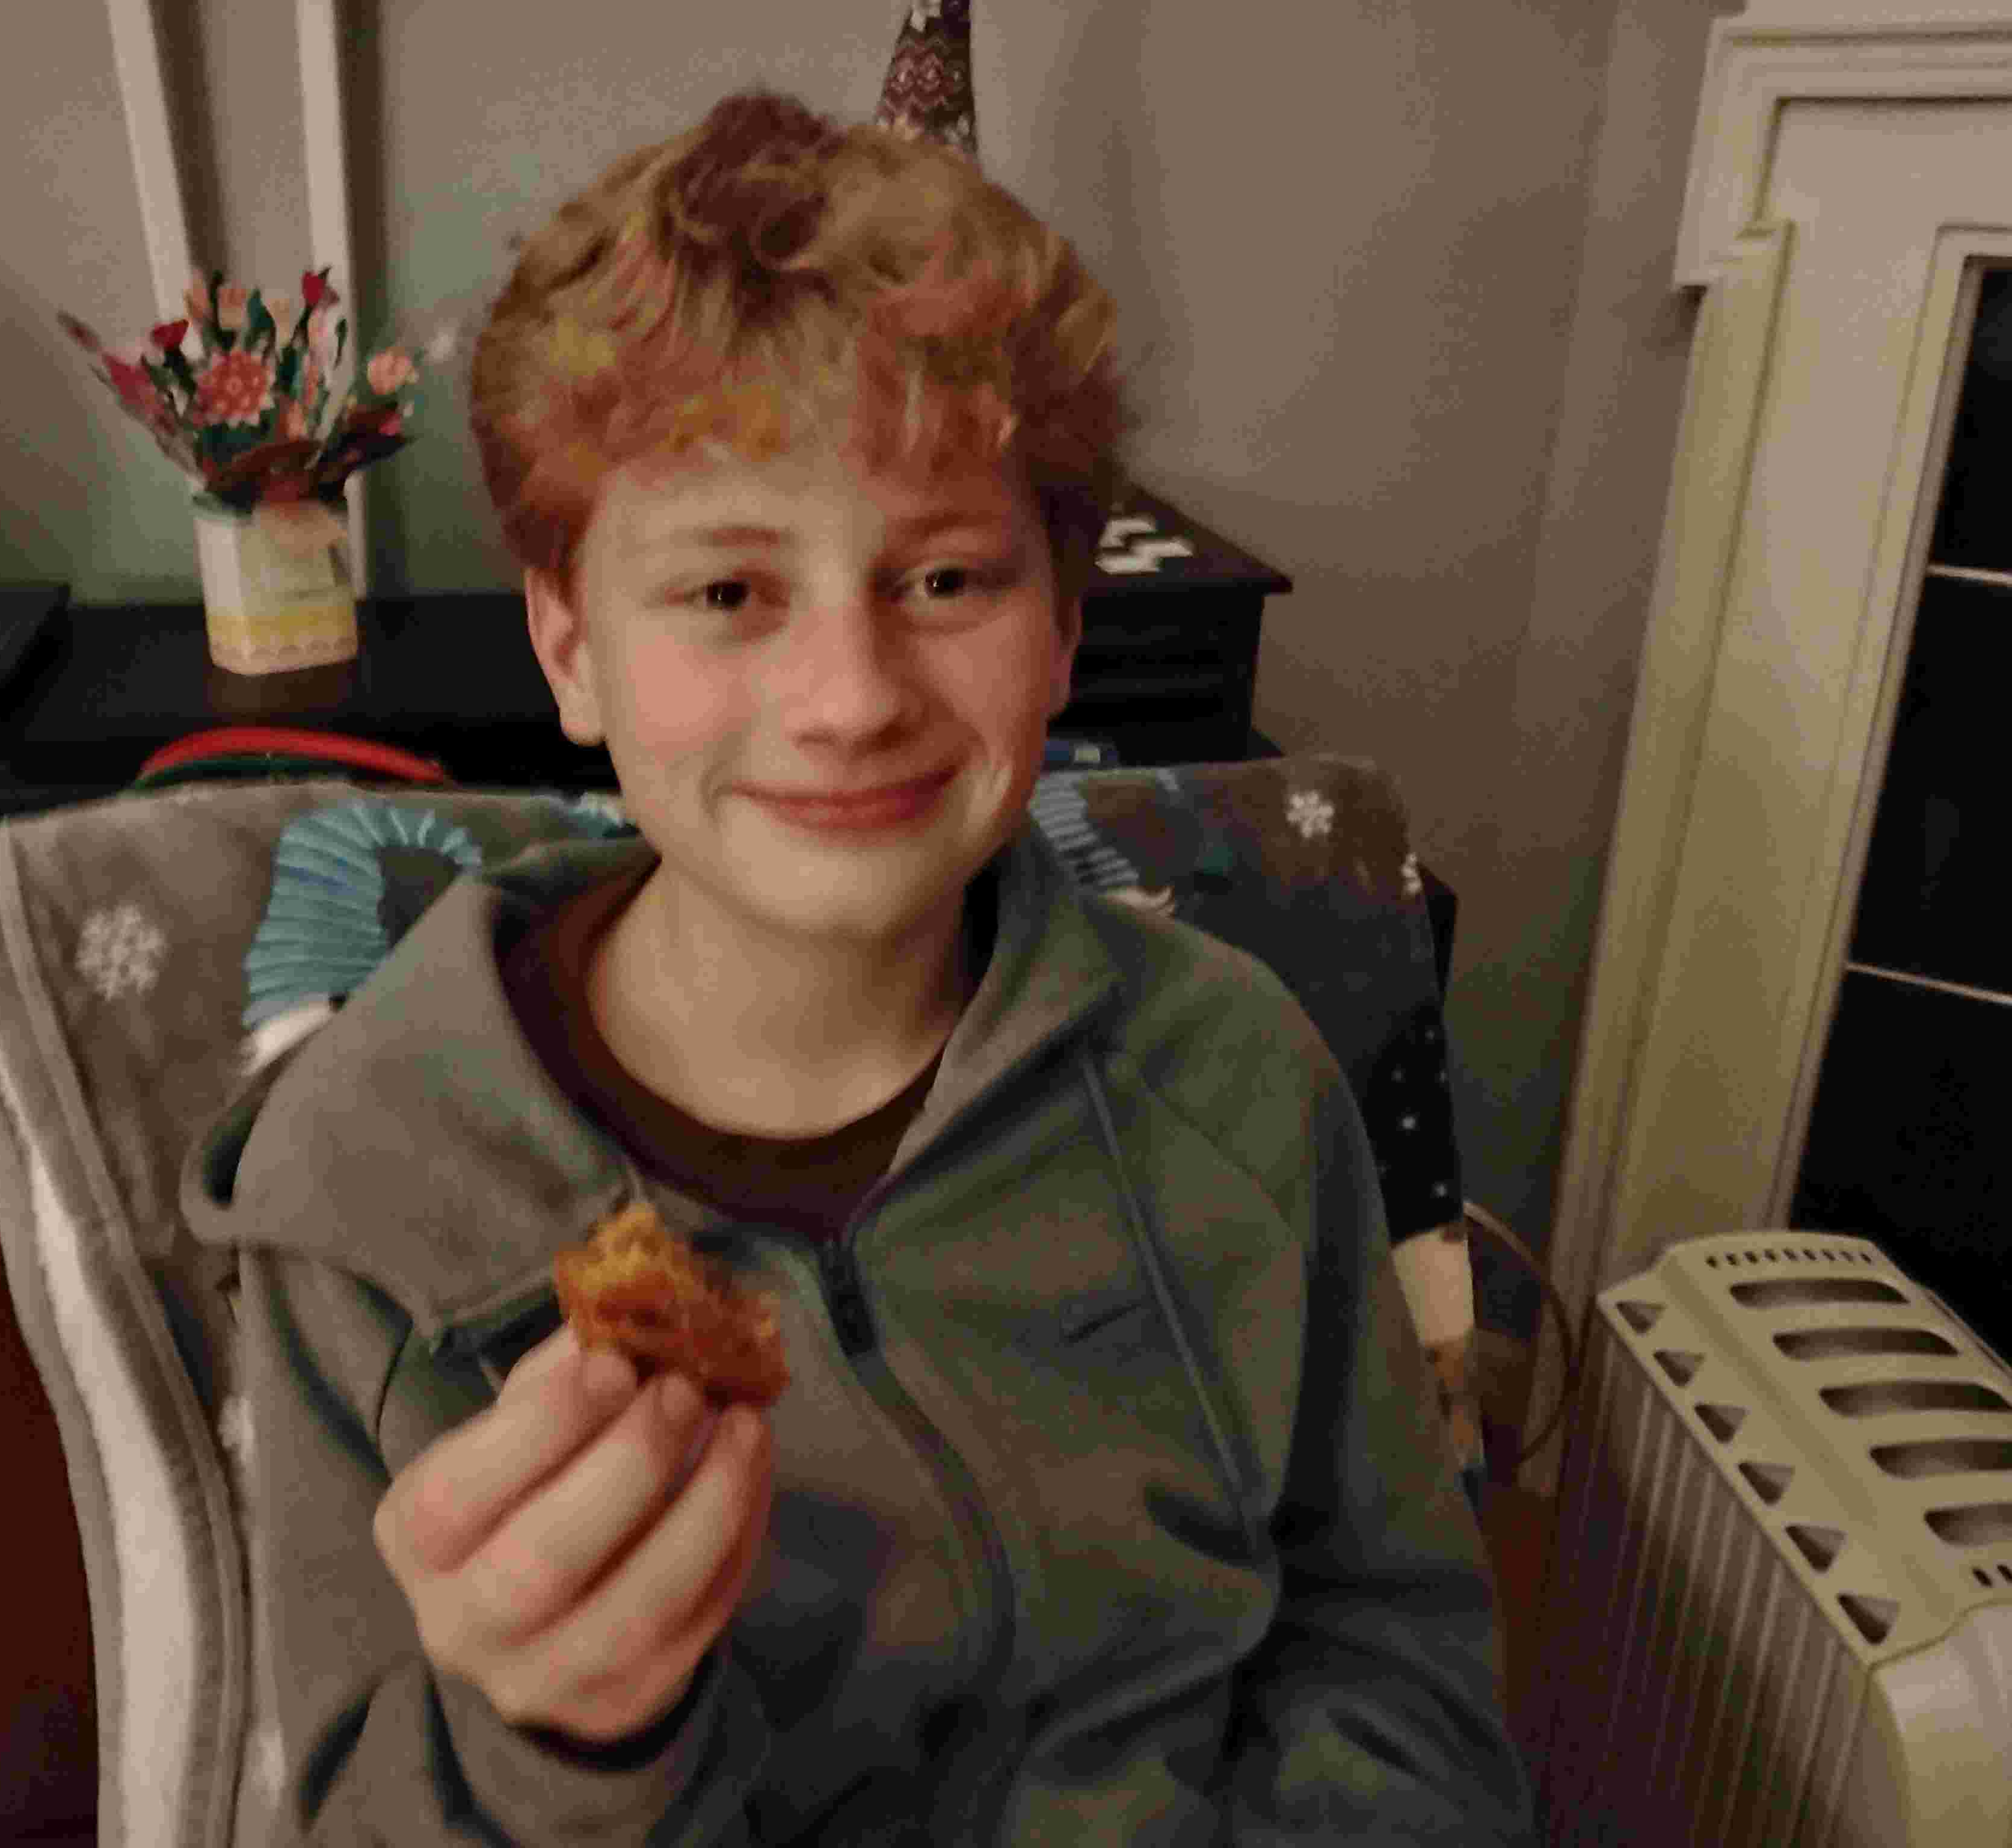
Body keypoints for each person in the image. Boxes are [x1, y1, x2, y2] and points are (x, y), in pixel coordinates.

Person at [181, 86, 1537, 1846]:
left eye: (948, 579)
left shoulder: (1236, 1075)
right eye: (728, 593)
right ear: (570, 646)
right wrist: (546, 1752)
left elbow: (1390, 1642)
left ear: (1064, 629)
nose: (850, 698)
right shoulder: (368, 1191)